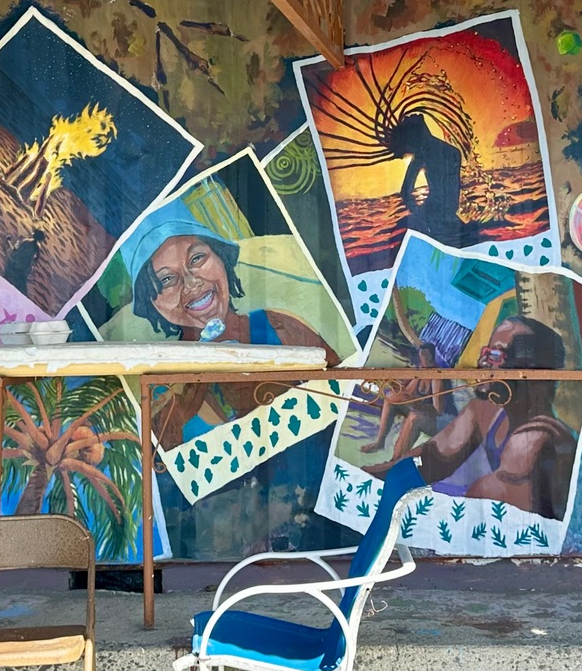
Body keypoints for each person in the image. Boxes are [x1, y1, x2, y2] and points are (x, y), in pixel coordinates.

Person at [119, 204, 340, 450]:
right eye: (167, 279)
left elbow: (344, 393)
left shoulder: (276, 326)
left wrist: (276, 388)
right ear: (152, 303)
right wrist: (180, 415)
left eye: (197, 258)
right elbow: (158, 462)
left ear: (221, 257)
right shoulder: (164, 382)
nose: (192, 284)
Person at [364, 316, 576, 520]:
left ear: (532, 374)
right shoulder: (485, 411)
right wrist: (368, 476)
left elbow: (484, 512)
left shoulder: (536, 439)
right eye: (485, 352)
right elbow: (430, 459)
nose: (481, 362)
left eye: (495, 355)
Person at [360, 342, 450, 460]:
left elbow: (438, 411)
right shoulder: (418, 371)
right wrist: (388, 383)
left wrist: (417, 405)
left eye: (425, 357)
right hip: (417, 408)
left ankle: (395, 459)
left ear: (431, 358)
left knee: (414, 417)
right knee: (391, 398)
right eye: (421, 356)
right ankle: (380, 442)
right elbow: (403, 389)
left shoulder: (437, 378)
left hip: (436, 422)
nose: (422, 360)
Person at [386, 113, 464, 245]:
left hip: (435, 217)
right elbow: (453, 190)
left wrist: (417, 213)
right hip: (443, 217)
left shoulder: (423, 155)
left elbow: (405, 190)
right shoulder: (453, 152)